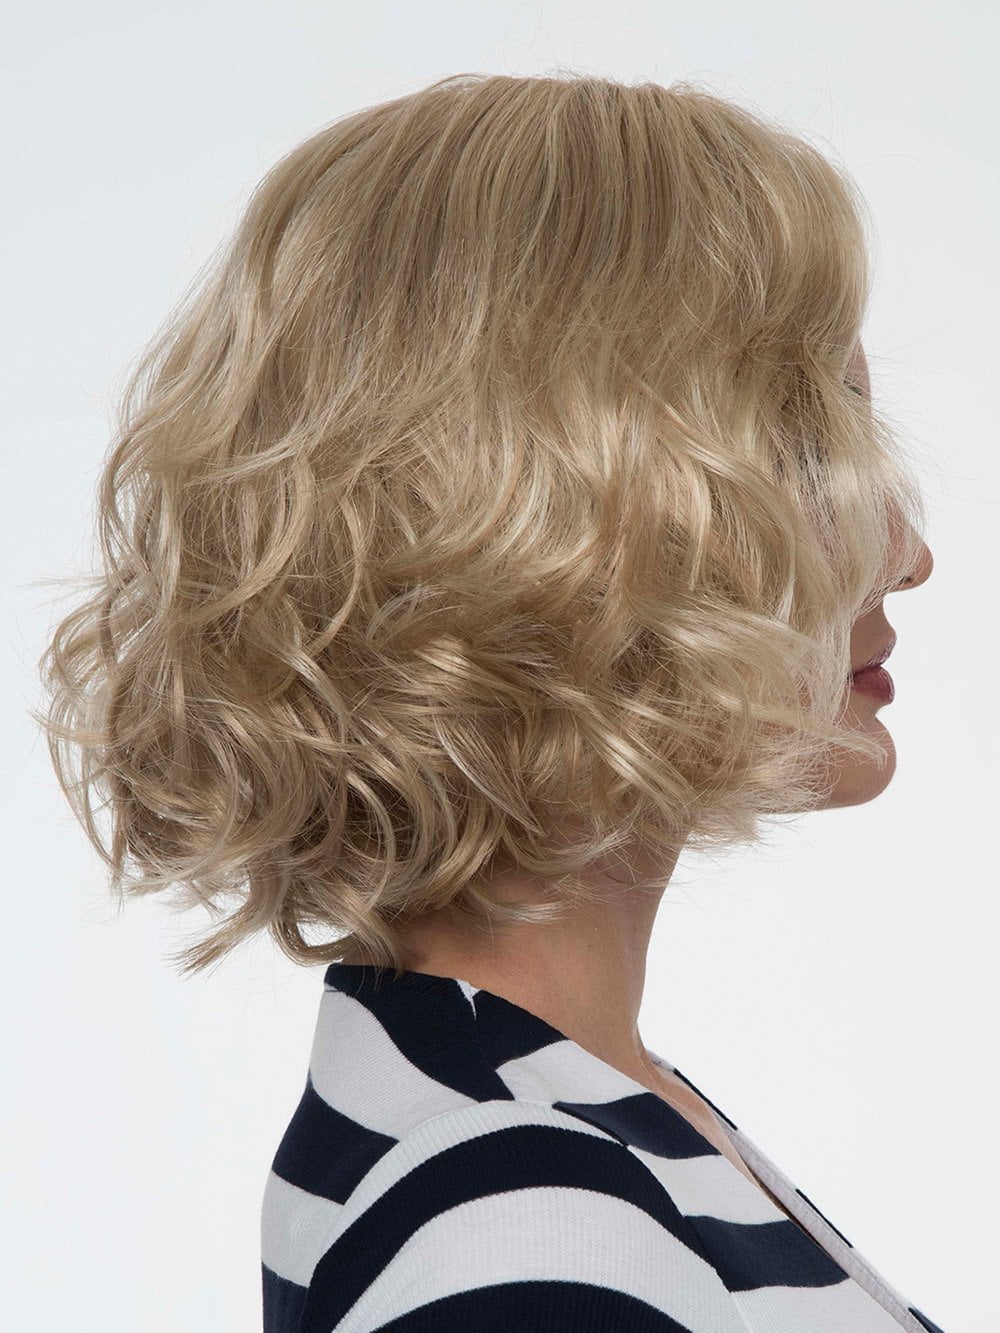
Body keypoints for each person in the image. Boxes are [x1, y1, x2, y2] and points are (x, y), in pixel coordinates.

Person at [35, 71, 944, 1331]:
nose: (907, 553)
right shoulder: (528, 1218)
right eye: (810, 451)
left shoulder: (549, 1121)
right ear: (557, 508)